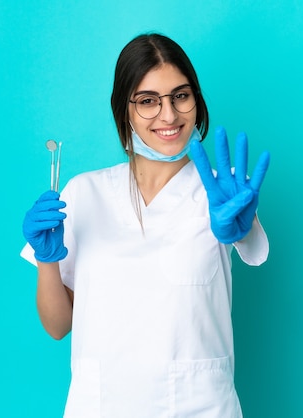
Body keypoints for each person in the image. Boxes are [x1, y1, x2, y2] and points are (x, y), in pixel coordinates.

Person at [21, 33, 271, 418]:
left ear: (196, 100)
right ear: (124, 109)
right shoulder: (84, 192)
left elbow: (250, 245)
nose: (169, 115)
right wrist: (47, 260)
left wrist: (240, 229)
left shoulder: (221, 192)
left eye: (181, 96)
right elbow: (58, 327)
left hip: (199, 408)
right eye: (149, 101)